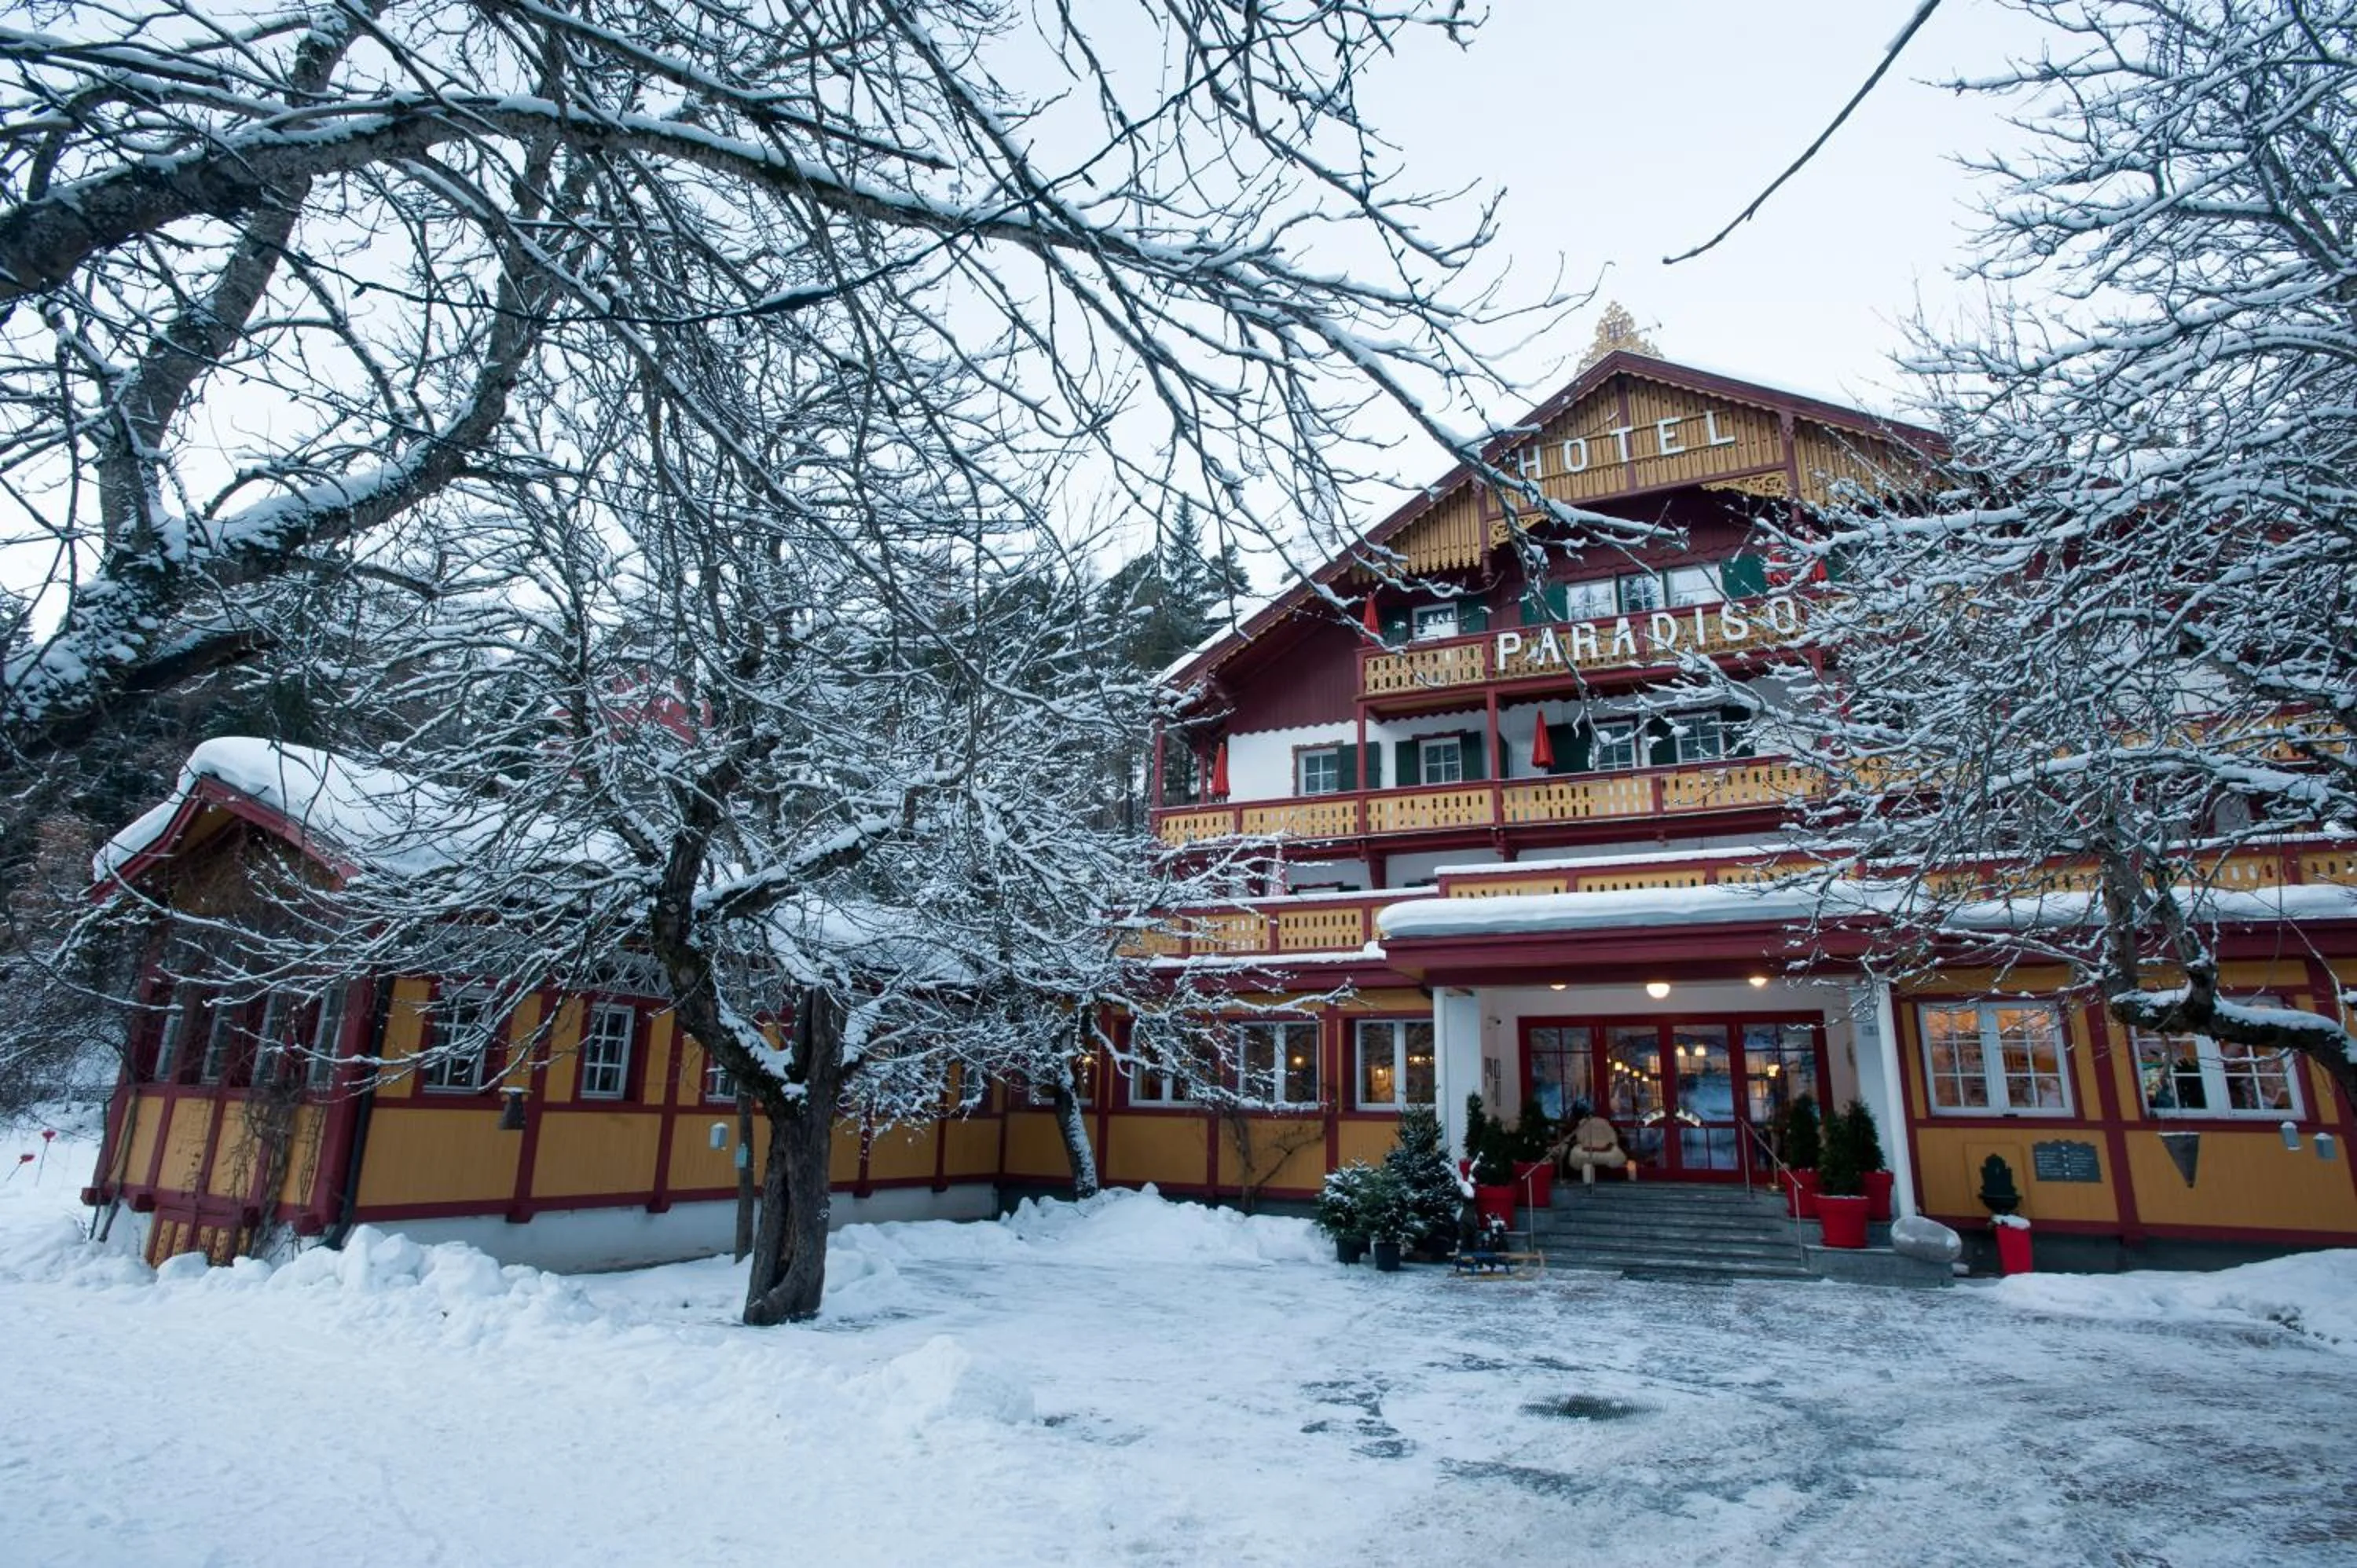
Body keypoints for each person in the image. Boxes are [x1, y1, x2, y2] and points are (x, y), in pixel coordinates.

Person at [1552, 1110, 1635, 1184]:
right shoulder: (1586, 1124)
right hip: (1594, 1149)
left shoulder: (1595, 1125)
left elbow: (1611, 1140)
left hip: (1594, 1149)